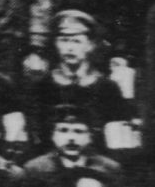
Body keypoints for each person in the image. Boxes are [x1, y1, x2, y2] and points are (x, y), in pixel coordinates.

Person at [26, 10, 131, 153]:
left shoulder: (107, 88)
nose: (70, 48)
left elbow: (118, 142)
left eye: (77, 41)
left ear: (90, 45)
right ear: (56, 43)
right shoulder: (42, 87)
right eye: (64, 40)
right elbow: (36, 137)